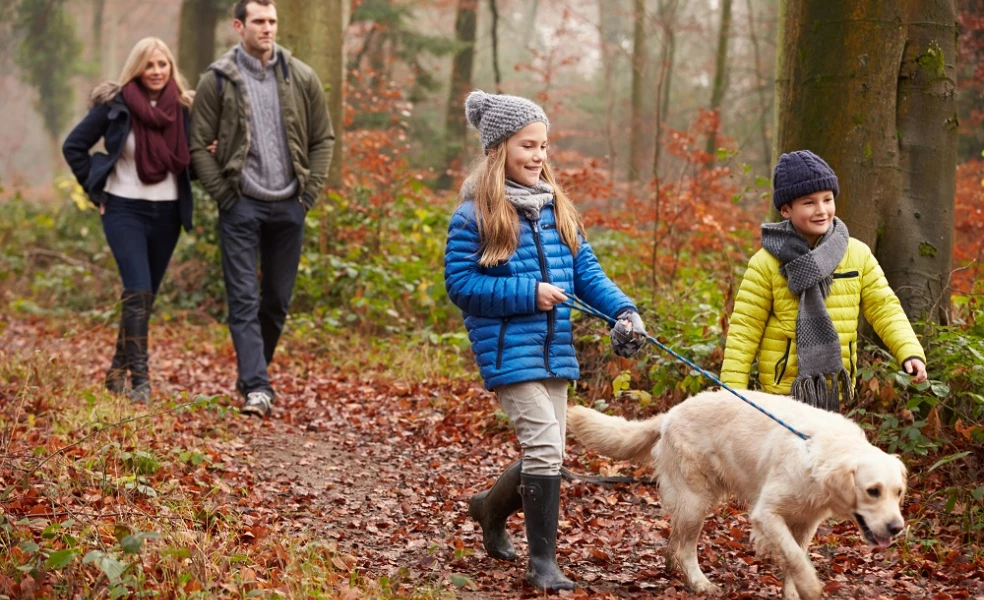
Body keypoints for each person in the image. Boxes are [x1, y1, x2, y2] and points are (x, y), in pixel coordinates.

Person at [444, 90, 647, 592]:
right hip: (506, 349)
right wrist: (527, 292)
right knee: (541, 447)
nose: (538, 156)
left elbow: (587, 273)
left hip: (553, 349)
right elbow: (462, 287)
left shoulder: (558, 208)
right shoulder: (474, 215)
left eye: (543, 146)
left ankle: (488, 511)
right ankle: (542, 563)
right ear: (498, 150)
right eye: (527, 145)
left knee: (550, 453)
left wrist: (623, 311)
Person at [190, 0, 335, 418]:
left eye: (272, 21)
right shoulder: (216, 80)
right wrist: (224, 195)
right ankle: (257, 385)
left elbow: (323, 139)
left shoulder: (302, 76)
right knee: (242, 300)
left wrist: (307, 196)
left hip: (290, 204)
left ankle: (253, 374)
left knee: (276, 300)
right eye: (258, 22)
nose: (267, 28)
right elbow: (198, 143)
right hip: (241, 205)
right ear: (239, 26)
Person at [720, 149, 928, 411]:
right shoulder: (766, 263)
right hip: (783, 393)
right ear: (786, 210)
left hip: (835, 387)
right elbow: (744, 331)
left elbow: (884, 307)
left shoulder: (857, 254)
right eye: (809, 203)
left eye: (827, 199)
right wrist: (731, 396)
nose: (821, 210)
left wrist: (909, 351)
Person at [63, 37, 196, 404]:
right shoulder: (116, 105)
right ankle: (140, 380)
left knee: (144, 297)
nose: (156, 71)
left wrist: (208, 153)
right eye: (149, 65)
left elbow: (190, 165)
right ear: (137, 68)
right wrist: (96, 190)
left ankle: (115, 372)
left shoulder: (184, 109)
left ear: (171, 67)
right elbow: (74, 146)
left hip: (168, 213)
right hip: (124, 210)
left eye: (162, 64)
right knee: (137, 289)